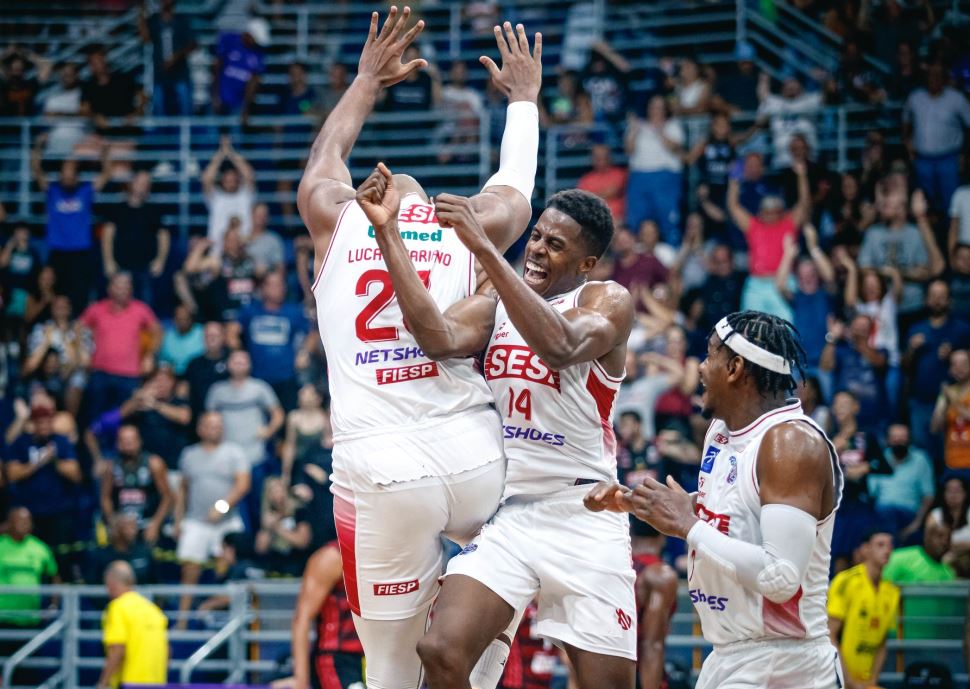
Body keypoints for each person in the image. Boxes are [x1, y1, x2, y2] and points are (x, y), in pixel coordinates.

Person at [296, 9, 539, 688]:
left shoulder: (336, 219)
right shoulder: (467, 224)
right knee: (482, 655)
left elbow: (325, 156)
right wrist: (523, 100)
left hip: (380, 463)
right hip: (474, 454)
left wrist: (368, 80)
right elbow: (516, 182)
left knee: (392, 669)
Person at [358, 170, 636, 686]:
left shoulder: (605, 300)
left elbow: (561, 346)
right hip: (515, 512)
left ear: (586, 264)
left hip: (585, 515)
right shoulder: (498, 303)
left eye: (555, 245)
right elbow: (436, 336)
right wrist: (387, 233)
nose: (536, 249)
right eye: (536, 235)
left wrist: (484, 248)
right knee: (440, 651)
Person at [587, 310, 844, 688]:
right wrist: (637, 502)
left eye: (709, 356)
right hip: (730, 656)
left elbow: (780, 577)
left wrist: (687, 525)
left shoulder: (790, 443)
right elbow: (733, 514)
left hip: (785, 664)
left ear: (736, 367)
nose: (700, 369)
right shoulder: (722, 432)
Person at [173, 411, 250, 627]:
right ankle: (182, 620)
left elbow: (243, 484)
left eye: (218, 424)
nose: (215, 428)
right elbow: (183, 489)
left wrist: (222, 506)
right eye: (210, 424)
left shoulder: (234, 452)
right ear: (200, 428)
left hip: (227, 522)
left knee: (227, 568)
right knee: (189, 569)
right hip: (196, 520)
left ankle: (225, 616)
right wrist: (178, 520)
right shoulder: (189, 454)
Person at [31, 139, 111, 313]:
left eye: (71, 172)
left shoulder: (86, 191)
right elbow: (36, 170)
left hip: (81, 251)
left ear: (77, 175)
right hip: (58, 250)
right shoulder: (52, 191)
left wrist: (104, 154)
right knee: (53, 290)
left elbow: (106, 175)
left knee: (79, 293)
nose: (67, 175)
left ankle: (77, 328)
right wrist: (38, 148)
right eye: (64, 172)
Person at [727, 161, 810, 321]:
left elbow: (804, 203)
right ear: (760, 212)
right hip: (756, 285)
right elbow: (733, 207)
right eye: (767, 212)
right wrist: (734, 180)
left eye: (774, 211)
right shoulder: (754, 226)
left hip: (783, 283)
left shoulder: (788, 224)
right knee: (749, 330)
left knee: (785, 330)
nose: (770, 215)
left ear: (781, 211)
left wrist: (802, 176)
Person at [3, 404, 83, 572]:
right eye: (40, 422)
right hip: (30, 513)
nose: (45, 426)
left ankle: (58, 595)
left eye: (48, 422)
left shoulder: (61, 442)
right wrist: (37, 463)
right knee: (31, 558)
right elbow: (11, 474)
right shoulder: (22, 442)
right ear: (33, 423)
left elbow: (76, 474)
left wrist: (54, 461)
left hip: (58, 512)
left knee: (60, 559)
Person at [78, 272, 161, 419]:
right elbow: (78, 328)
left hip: (129, 375)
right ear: (110, 288)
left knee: (126, 419)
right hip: (100, 372)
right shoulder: (97, 309)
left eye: (127, 286)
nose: (123, 289)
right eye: (119, 285)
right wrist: (82, 351)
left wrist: (149, 356)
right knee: (94, 417)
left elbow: (158, 332)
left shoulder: (141, 309)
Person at [230, 271, 312, 412]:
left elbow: (313, 334)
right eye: (273, 285)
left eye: (281, 285)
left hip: (286, 376)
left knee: (288, 416)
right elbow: (231, 332)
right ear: (263, 287)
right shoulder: (250, 310)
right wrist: (238, 351)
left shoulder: (293, 311)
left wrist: (304, 352)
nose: (279, 288)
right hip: (256, 377)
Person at [827, 530, 899, 689]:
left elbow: (882, 643)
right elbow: (830, 635)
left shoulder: (892, 592)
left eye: (890, 545)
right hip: (835, 678)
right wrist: (849, 682)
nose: (887, 550)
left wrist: (872, 681)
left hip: (865, 681)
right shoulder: (846, 581)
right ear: (865, 549)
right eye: (881, 545)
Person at [287, 543, 364, 689]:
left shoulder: (386, 553)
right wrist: (301, 680)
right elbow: (302, 618)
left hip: (374, 656)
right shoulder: (332, 557)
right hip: (337, 659)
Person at [907, 281, 970, 452]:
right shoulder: (916, 329)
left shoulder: (962, 329)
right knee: (922, 452)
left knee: (950, 451)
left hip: (952, 400)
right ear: (926, 299)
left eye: (942, 296)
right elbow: (905, 366)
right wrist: (912, 350)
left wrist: (952, 356)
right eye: (933, 296)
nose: (937, 301)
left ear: (950, 300)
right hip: (920, 400)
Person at [0, 508, 59, 686]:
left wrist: (53, 605)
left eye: (27, 521)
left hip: (30, 621)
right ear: (9, 523)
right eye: (19, 521)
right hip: (3, 621)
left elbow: (55, 577)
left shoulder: (39, 548)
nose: (24, 525)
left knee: (27, 673)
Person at [903, 63, 970, 212]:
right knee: (925, 202)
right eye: (931, 75)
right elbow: (906, 121)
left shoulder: (956, 99)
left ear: (944, 78)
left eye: (938, 75)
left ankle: (950, 233)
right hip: (922, 159)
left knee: (951, 202)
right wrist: (907, 143)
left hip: (949, 158)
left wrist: (965, 154)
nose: (934, 79)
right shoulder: (915, 97)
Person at [101, 169, 170, 306]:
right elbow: (107, 236)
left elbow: (163, 236)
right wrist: (108, 261)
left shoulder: (154, 210)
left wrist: (160, 261)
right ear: (131, 184)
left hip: (146, 268)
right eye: (140, 182)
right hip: (120, 266)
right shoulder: (117, 208)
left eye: (146, 183)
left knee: (145, 307)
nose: (143, 186)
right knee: (118, 306)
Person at [94, 561, 168, 689]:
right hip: (158, 682)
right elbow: (167, 651)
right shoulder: (152, 609)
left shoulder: (117, 607)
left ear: (110, 583)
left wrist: (103, 682)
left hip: (130, 682)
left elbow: (117, 649)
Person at [882, 515, 957, 640]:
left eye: (948, 538)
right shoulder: (901, 559)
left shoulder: (949, 573)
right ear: (926, 537)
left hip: (930, 641)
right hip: (897, 639)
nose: (944, 542)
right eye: (939, 536)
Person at [624, 95, 685, 245]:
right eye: (653, 107)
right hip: (639, 177)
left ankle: (670, 252)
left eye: (659, 107)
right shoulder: (638, 126)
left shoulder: (673, 125)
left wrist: (660, 130)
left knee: (667, 219)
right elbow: (628, 150)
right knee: (636, 219)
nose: (655, 110)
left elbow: (674, 147)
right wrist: (633, 130)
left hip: (665, 177)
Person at [99, 424, 171, 545]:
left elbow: (167, 497)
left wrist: (156, 524)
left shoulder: (154, 464)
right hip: (122, 525)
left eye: (131, 440)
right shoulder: (111, 467)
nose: (128, 445)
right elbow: (105, 497)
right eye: (124, 441)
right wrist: (112, 522)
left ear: (139, 441)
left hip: (147, 522)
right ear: (118, 443)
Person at [868, 424, 936, 543]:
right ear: (887, 440)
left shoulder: (920, 460)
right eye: (895, 438)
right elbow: (871, 492)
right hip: (882, 513)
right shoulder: (879, 459)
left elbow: (928, 496)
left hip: (909, 513)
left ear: (910, 439)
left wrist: (916, 524)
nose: (899, 441)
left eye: (903, 438)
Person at [631, 519, 678, 689]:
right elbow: (651, 645)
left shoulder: (614, 566)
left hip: (603, 668)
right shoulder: (659, 575)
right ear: (664, 532)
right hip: (638, 672)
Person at [139, 0, 197, 116]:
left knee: (185, 108)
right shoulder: (154, 20)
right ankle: (161, 134)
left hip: (180, 74)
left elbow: (192, 43)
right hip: (160, 74)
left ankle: (186, 133)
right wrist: (141, 13)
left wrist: (176, 57)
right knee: (159, 109)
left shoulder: (181, 20)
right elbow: (145, 38)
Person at [202, 135, 256, 249]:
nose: (231, 182)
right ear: (222, 181)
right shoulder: (216, 198)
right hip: (218, 250)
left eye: (233, 179)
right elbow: (206, 179)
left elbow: (249, 175)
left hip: (243, 249)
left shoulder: (245, 195)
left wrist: (230, 152)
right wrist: (221, 153)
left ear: (238, 180)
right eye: (227, 180)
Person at [212, 17, 269, 121]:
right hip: (220, 97)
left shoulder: (258, 53)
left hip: (238, 104)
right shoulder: (229, 40)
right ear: (250, 34)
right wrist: (215, 95)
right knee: (210, 134)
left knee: (235, 135)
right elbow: (217, 67)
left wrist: (246, 107)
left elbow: (254, 81)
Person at [85, 513, 156, 585]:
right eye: (129, 526)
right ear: (116, 529)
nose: (134, 531)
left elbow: (156, 583)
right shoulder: (100, 556)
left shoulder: (144, 553)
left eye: (135, 527)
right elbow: (91, 586)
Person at [932, 349, 970, 471]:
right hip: (952, 461)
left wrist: (953, 400)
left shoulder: (950, 395)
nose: (959, 368)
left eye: (964, 363)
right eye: (955, 364)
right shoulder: (948, 392)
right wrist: (941, 404)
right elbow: (935, 428)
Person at [184, 321, 230, 422]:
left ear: (223, 337)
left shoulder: (232, 360)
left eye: (215, 335)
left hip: (227, 416)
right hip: (199, 418)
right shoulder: (194, 364)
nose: (212, 338)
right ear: (203, 338)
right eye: (208, 335)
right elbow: (184, 391)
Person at [577, 143, 627, 223]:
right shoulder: (585, 179)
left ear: (610, 157)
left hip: (618, 220)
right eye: (597, 157)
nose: (602, 160)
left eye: (604, 156)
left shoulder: (620, 174)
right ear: (592, 159)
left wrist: (593, 197)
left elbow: (612, 192)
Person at [158, 303, 205, 375]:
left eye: (186, 318)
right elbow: (163, 360)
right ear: (174, 320)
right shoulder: (167, 337)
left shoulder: (202, 332)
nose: (182, 322)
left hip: (199, 373)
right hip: (174, 376)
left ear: (191, 319)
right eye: (179, 319)